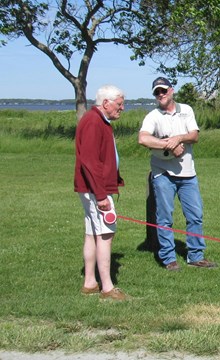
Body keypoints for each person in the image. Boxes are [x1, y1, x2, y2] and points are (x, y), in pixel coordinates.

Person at [138, 77, 217, 271]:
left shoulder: (186, 110)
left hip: (188, 174)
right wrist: (169, 145)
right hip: (163, 173)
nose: (160, 95)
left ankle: (196, 256)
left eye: (163, 90)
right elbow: (143, 139)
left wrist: (179, 138)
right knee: (164, 217)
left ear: (171, 91)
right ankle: (168, 259)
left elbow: (194, 135)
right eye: (156, 92)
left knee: (195, 215)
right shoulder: (153, 116)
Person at [74, 85, 127, 301]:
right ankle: (107, 287)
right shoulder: (94, 121)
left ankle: (89, 282)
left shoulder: (97, 120)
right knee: (105, 235)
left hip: (94, 189)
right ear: (106, 103)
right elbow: (89, 161)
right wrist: (102, 195)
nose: (122, 108)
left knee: (92, 233)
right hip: (96, 190)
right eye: (119, 104)